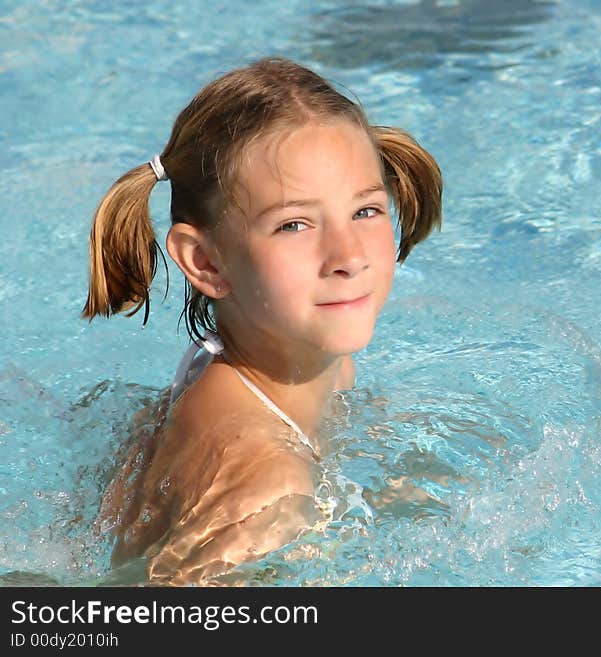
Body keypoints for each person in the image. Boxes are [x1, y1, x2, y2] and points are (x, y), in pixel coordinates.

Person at [82, 57, 442, 585]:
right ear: (205, 262)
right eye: (293, 224)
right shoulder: (267, 494)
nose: (349, 256)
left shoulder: (278, 359)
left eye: (365, 211)